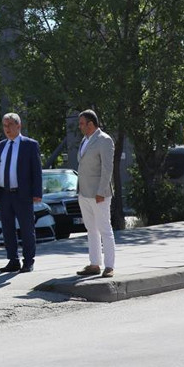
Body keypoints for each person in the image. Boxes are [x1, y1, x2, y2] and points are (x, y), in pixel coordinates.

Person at [0, 113, 43, 273]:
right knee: (7, 229)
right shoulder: (0, 146)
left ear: (19, 126)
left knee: (26, 228)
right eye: (5, 125)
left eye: (10, 125)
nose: (7, 129)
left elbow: (36, 171)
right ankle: (13, 260)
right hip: (4, 194)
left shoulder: (29, 145)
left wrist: (37, 192)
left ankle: (28, 261)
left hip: (22, 194)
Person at [75, 109, 116, 278]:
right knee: (91, 229)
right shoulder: (85, 140)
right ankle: (94, 264)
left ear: (91, 124)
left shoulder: (104, 140)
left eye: (82, 123)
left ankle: (109, 266)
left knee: (104, 229)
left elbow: (107, 168)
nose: (80, 127)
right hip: (84, 193)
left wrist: (101, 191)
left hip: (99, 193)